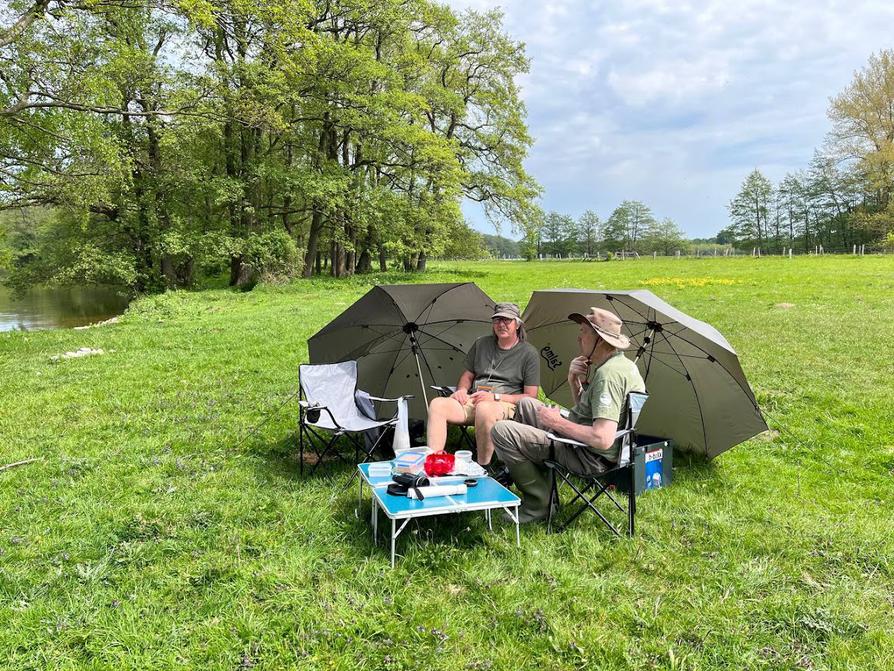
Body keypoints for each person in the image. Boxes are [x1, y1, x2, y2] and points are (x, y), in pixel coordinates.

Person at [491, 307, 645, 523]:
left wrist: (556, 422)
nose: (579, 337)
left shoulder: (608, 376)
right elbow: (587, 413)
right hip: (588, 445)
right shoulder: (621, 365)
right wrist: (574, 380)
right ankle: (532, 474)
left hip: (588, 456)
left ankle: (540, 505)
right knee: (527, 404)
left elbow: (602, 438)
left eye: (583, 332)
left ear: (599, 340)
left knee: (502, 431)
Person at [426, 302, 539, 470]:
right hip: (474, 399)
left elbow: (531, 396)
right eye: (497, 320)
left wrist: (495, 397)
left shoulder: (529, 353)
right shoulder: (481, 344)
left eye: (507, 320)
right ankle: (434, 464)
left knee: (485, 408)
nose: (501, 324)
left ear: (517, 324)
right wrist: (462, 390)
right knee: (438, 404)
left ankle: (482, 467)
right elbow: (468, 375)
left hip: (504, 404)